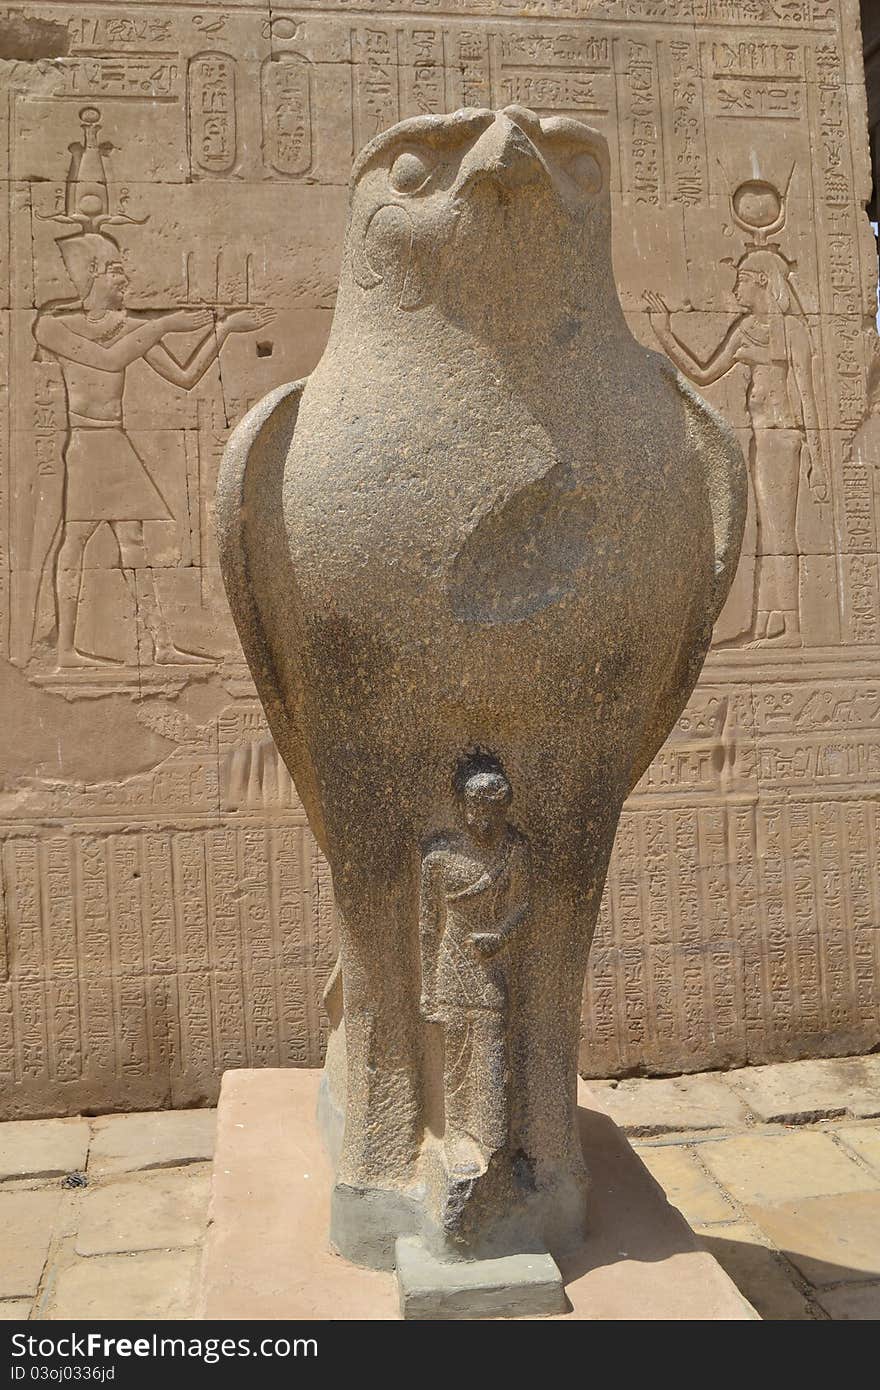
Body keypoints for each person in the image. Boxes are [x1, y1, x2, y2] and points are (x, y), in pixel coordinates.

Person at [34, 230, 272, 666]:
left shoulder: (132, 329)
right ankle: (66, 649)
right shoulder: (53, 325)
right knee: (77, 539)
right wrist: (164, 324)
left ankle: (160, 647)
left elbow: (184, 377)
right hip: (87, 444)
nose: (125, 279)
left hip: (115, 442)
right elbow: (107, 360)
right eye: (115, 270)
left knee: (134, 542)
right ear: (90, 274)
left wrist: (224, 329)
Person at [645, 246, 828, 645]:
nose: (735, 288)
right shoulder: (746, 330)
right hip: (764, 438)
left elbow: (808, 398)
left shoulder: (792, 331)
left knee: (779, 530)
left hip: (783, 437)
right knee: (764, 530)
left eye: (743, 278)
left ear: (763, 280)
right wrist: (664, 334)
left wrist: (818, 457)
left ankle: (792, 628)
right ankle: (767, 625)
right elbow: (705, 373)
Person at [419, 766, 531, 1177]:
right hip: (451, 961)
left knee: (492, 1048)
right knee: (457, 1054)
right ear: (463, 809)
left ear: (504, 811)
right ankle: (459, 1135)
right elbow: (427, 926)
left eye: (493, 812)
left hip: (488, 963)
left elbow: (522, 904)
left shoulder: (514, 851)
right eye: (476, 810)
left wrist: (500, 936)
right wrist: (428, 987)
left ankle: (493, 1135)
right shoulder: (439, 858)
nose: (484, 821)